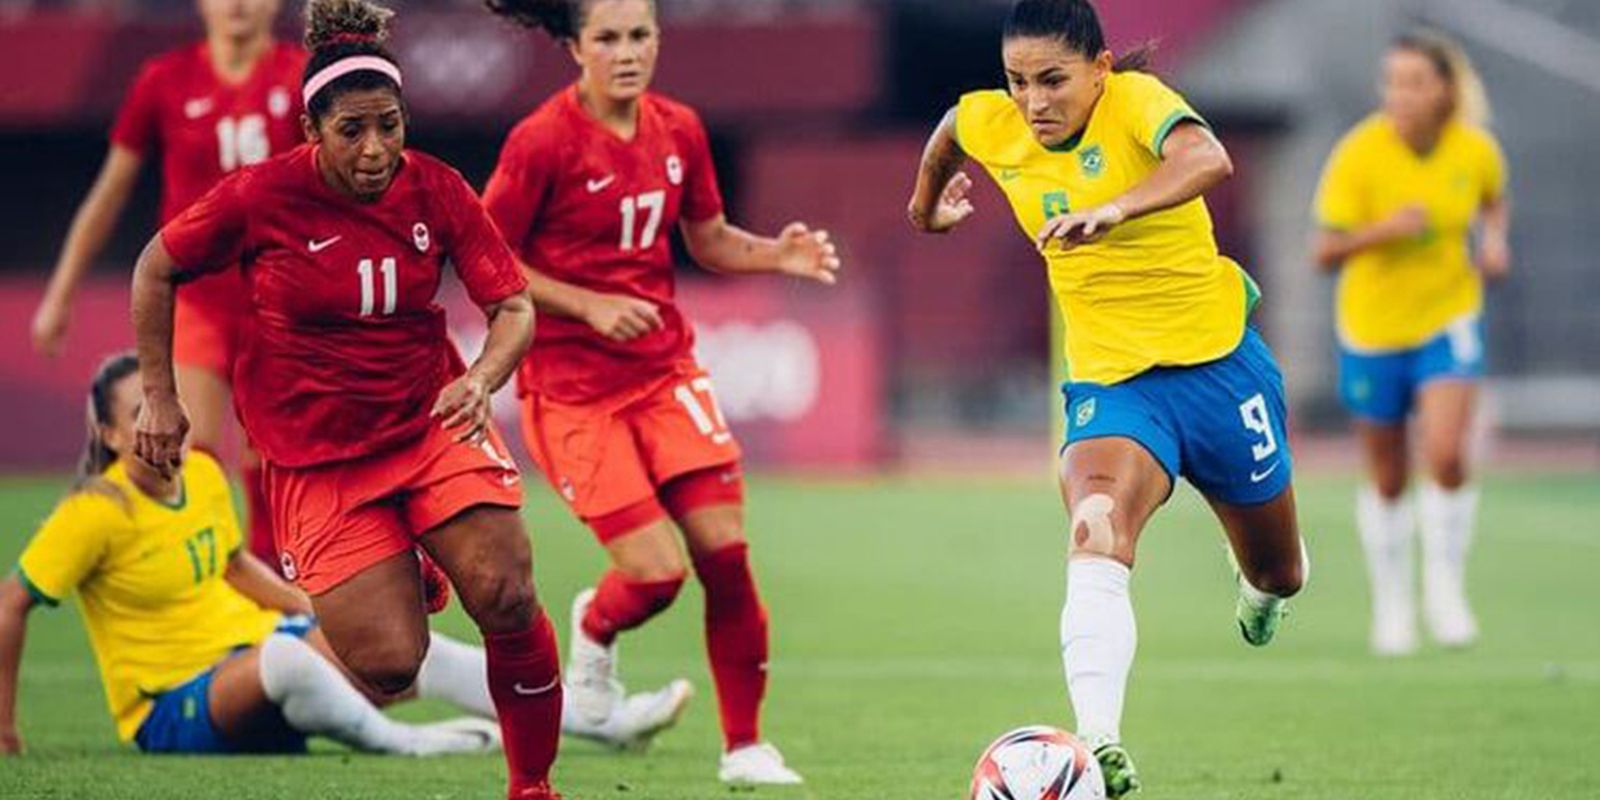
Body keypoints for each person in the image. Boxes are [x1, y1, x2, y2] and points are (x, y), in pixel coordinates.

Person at [128, 1, 564, 796]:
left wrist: (480, 378)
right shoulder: (260, 196)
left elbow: (514, 306)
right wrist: (159, 397)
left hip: (430, 421)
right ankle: (415, 560)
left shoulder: (437, 189)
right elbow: (156, 267)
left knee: (506, 592)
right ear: (311, 129)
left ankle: (532, 786)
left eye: (389, 126)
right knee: (387, 665)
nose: (374, 149)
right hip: (316, 456)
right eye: (351, 130)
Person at [907, 1, 1308, 796]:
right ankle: (1096, 741)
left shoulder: (1138, 103)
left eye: (1053, 80)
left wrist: (1118, 207)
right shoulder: (997, 121)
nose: (1034, 101)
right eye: (1018, 81)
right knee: (1096, 529)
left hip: (1220, 370)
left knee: (1280, 572)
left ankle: (1259, 588)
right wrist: (926, 207)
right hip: (1114, 385)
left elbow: (1208, 157)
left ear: (1099, 68)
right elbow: (953, 127)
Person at [481, 0, 839, 785]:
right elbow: (486, 259)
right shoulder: (542, 141)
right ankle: (595, 627)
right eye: (607, 37)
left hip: (663, 373)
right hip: (571, 391)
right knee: (655, 574)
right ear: (575, 47)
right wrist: (588, 304)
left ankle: (745, 747)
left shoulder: (679, 128)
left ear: (658, 40)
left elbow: (707, 238)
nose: (627, 51)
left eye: (639, 34)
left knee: (726, 554)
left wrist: (774, 255)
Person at [0, 353, 506, 757]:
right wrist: (4, 728)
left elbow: (234, 565)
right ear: (109, 436)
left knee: (399, 645)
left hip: (256, 653)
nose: (162, 419)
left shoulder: (201, 473)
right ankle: (407, 744)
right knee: (286, 661)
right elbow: (11, 604)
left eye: (168, 400)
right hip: (171, 703)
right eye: (139, 413)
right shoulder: (93, 511)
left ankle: (553, 716)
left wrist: (313, 612)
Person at [32, 0, 305, 567]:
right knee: (190, 452)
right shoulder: (164, 79)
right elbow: (110, 191)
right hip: (194, 299)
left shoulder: (300, 75)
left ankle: (275, 601)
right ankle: (202, 582)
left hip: (278, 300)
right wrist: (61, 292)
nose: (237, 5)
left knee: (268, 461)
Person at [1313, 31, 1510, 657]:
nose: (1400, 94)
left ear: (1445, 90)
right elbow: (1323, 252)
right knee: (1390, 475)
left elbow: (1493, 200)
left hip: (1448, 318)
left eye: (1415, 82)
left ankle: (1445, 591)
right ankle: (1392, 604)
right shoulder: (1359, 154)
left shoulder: (1475, 149)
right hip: (1372, 329)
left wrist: (1495, 240)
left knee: (1447, 455)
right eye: (1393, 82)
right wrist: (1384, 231)